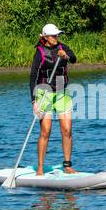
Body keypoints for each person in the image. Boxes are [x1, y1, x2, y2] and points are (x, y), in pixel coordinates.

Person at [30, 24, 77, 176]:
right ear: (45, 37)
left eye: (57, 35)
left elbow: (74, 59)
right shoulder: (40, 52)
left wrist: (66, 56)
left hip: (62, 93)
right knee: (46, 130)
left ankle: (67, 165)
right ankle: (40, 168)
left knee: (67, 130)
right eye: (53, 36)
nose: (56, 38)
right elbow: (33, 77)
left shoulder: (63, 47)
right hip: (45, 93)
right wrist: (34, 101)